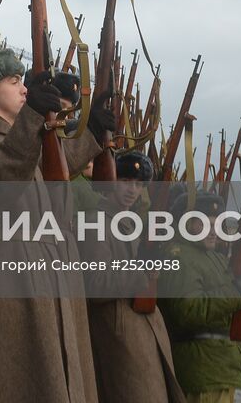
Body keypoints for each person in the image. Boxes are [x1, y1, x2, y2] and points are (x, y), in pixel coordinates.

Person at [0, 49, 111, 403]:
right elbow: (3, 177)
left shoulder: (20, 141)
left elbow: (54, 165)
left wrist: (94, 130)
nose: (24, 89)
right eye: (14, 82)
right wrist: (32, 117)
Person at [85, 151, 186, 403]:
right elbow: (95, 284)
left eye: (139, 184)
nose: (133, 190)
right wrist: (141, 273)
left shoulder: (133, 225)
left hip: (143, 330)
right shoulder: (95, 223)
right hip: (117, 335)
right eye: (125, 181)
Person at [158, 192, 241, 403]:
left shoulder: (209, 256)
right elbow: (188, 310)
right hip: (202, 368)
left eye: (216, 224)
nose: (214, 231)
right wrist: (233, 292)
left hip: (217, 367)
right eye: (205, 224)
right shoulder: (180, 256)